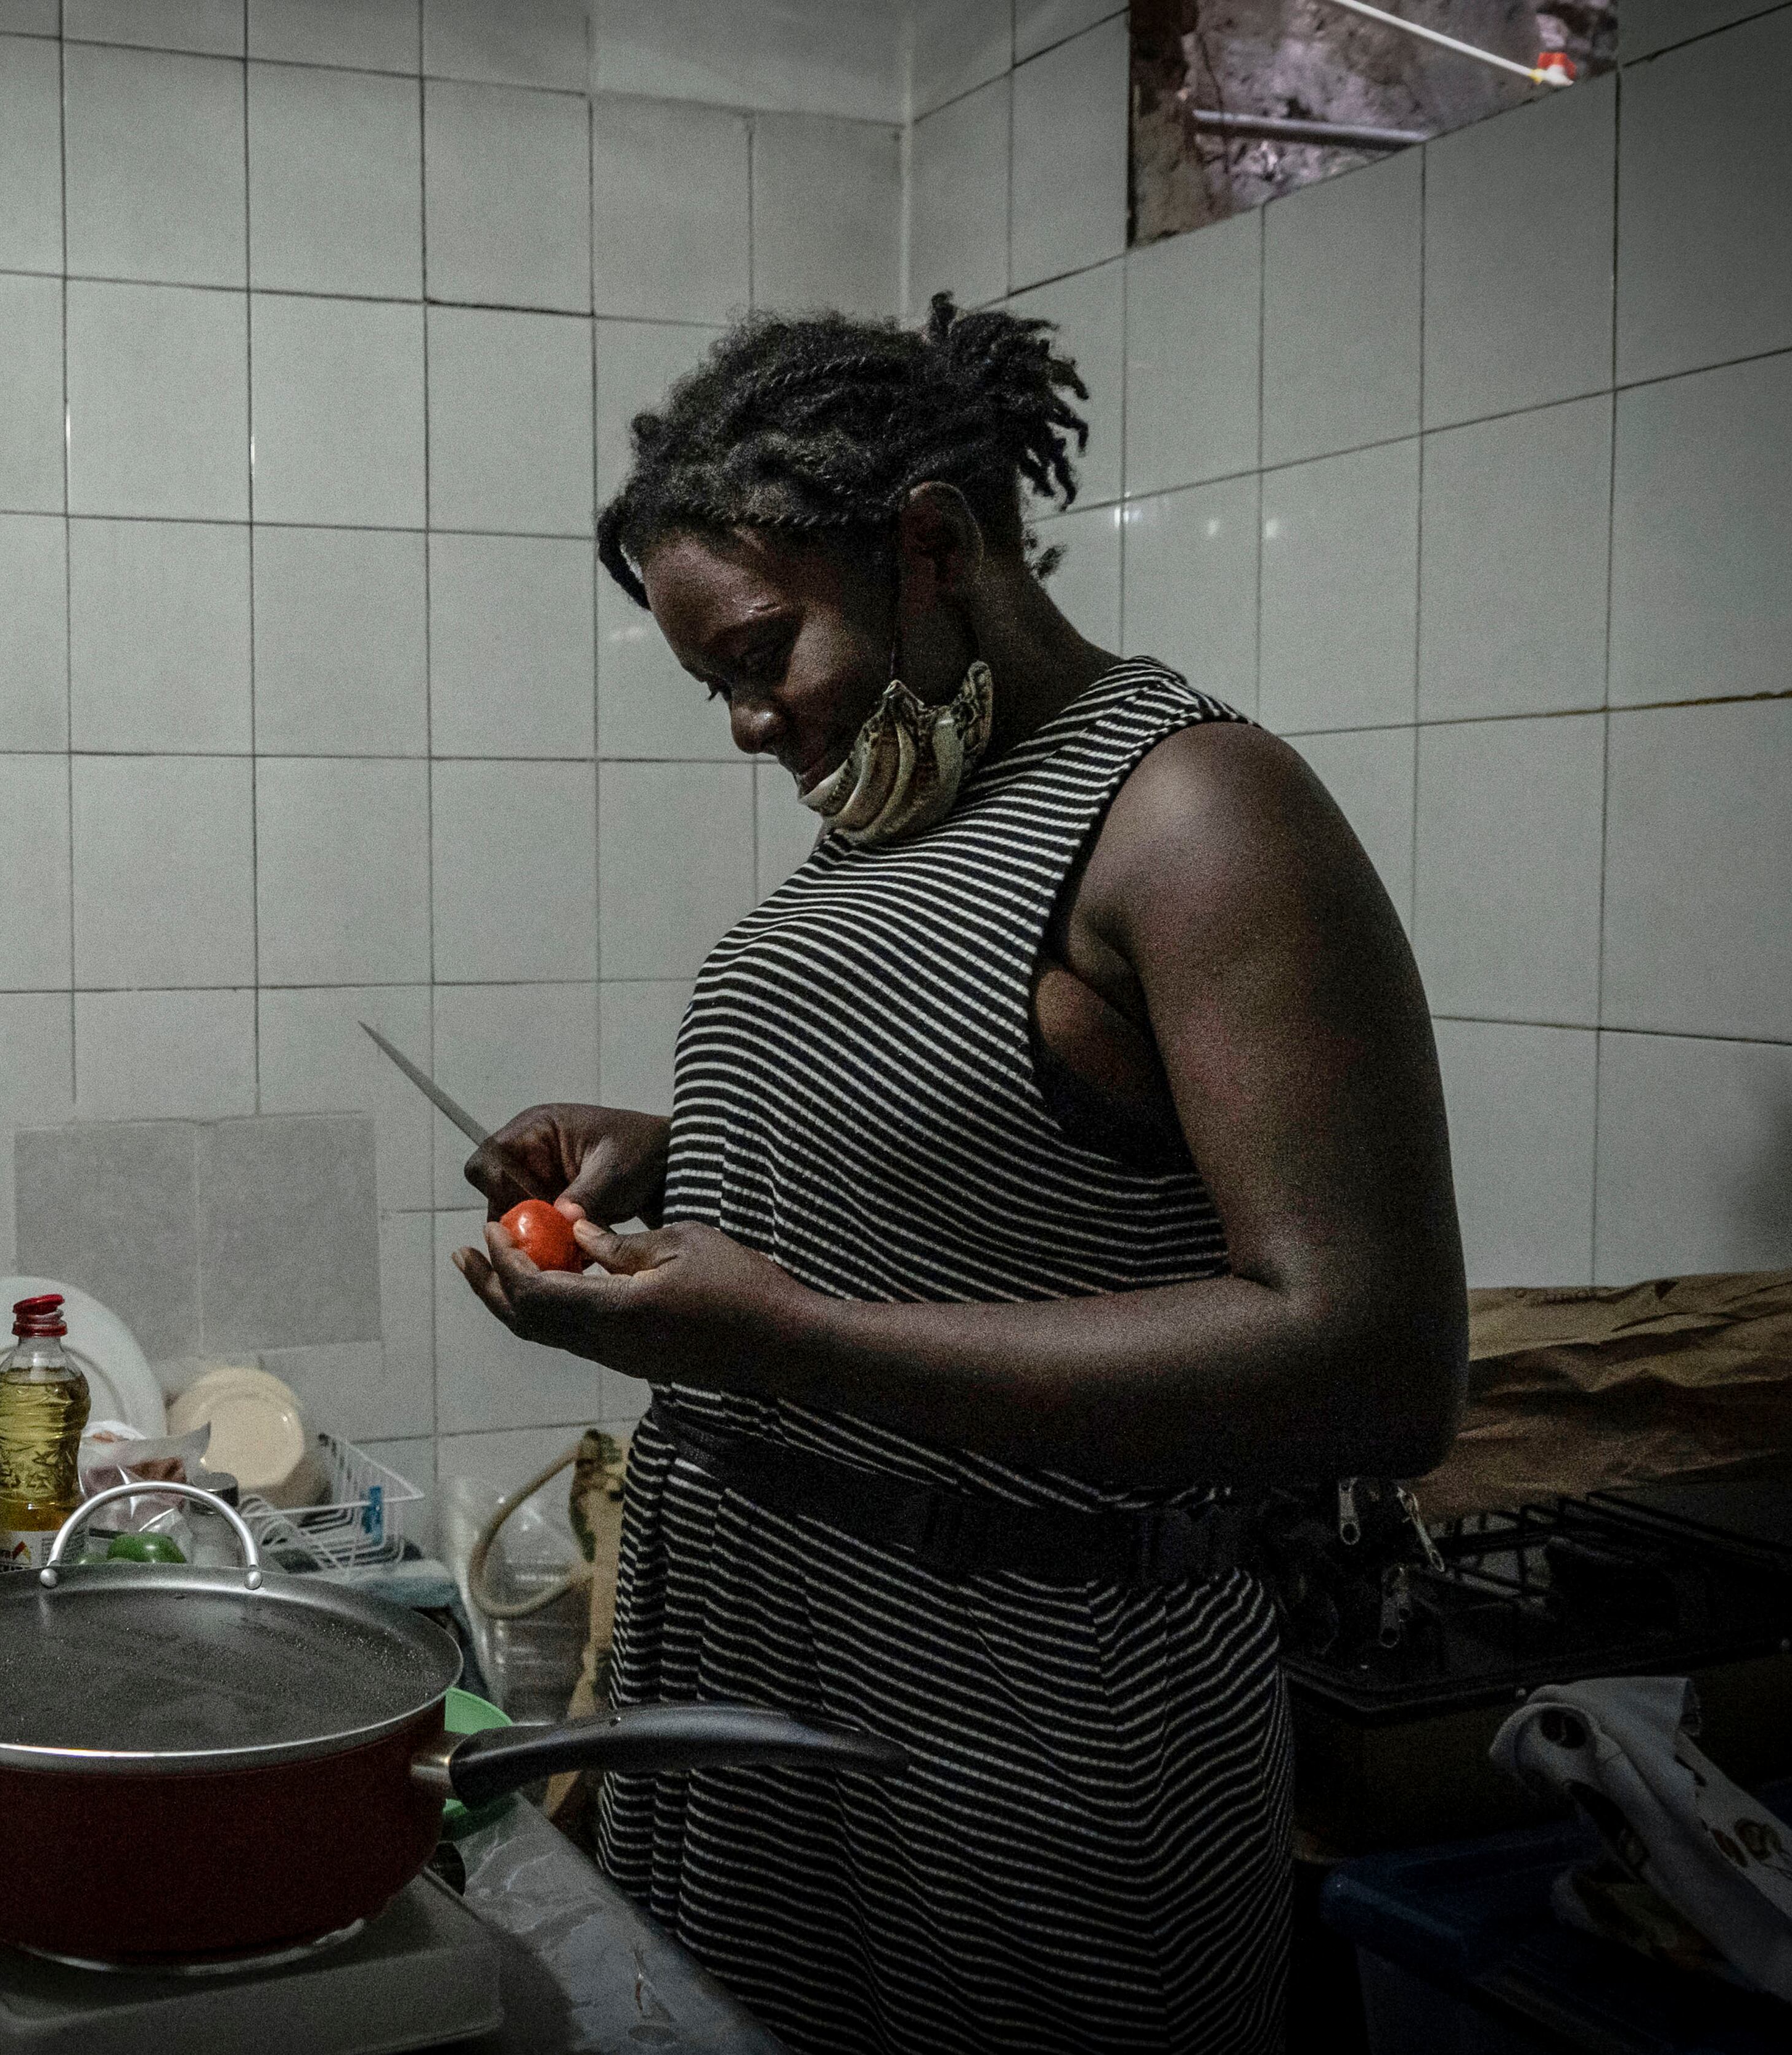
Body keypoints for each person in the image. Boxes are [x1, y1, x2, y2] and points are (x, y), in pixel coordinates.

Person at [449, 296, 1467, 2054]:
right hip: (761, 1679)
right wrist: (672, 1159)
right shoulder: (895, 827)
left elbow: (1372, 1362)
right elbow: (995, 1181)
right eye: (720, 688)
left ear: (931, 544)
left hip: (1036, 1725)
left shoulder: (1195, 815)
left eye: (764, 657)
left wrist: (787, 1344)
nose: (752, 728)